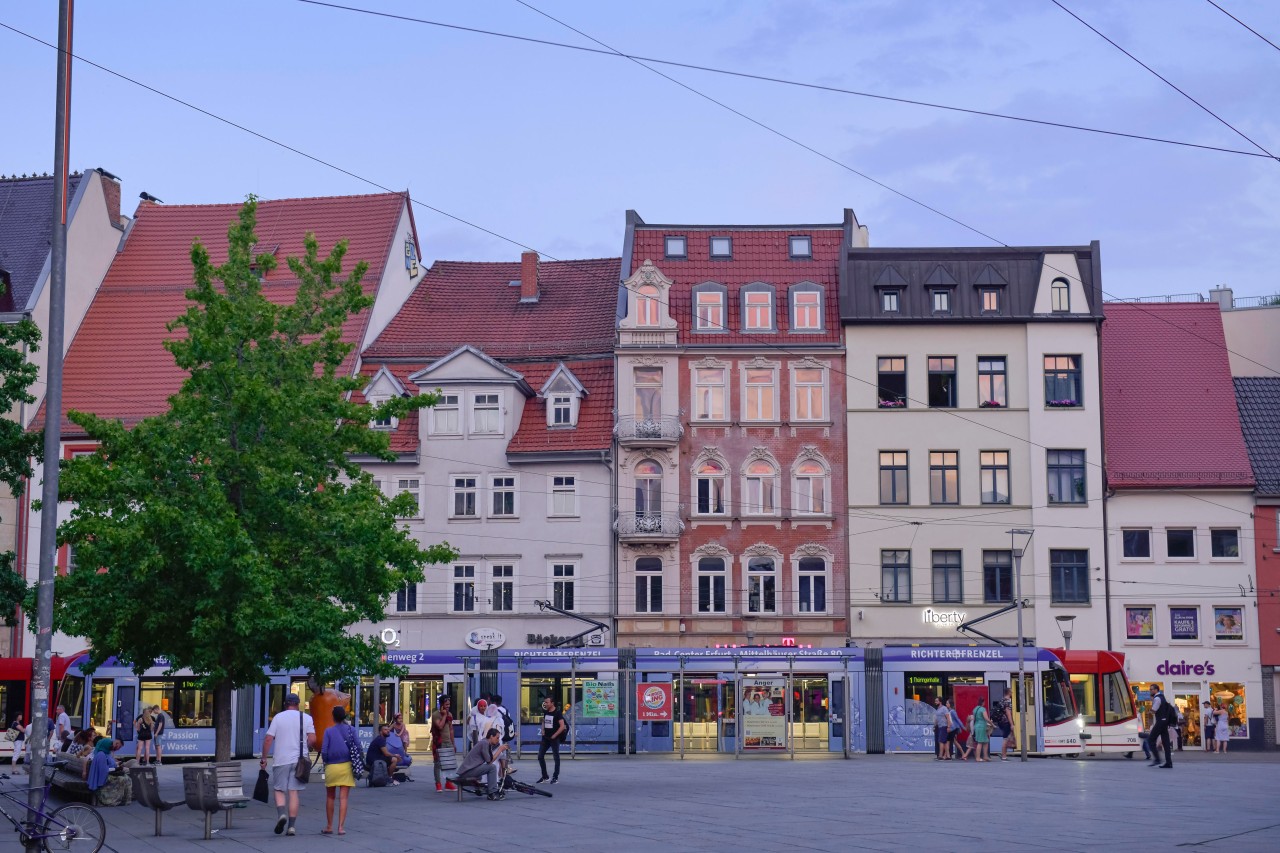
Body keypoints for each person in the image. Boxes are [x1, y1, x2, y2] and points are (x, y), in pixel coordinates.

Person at [261, 692, 317, 836]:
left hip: (281, 760)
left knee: (279, 790)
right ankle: (291, 827)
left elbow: (268, 739)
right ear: (298, 704)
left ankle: (281, 814)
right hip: (300, 760)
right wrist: (307, 746)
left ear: (285, 704)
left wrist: (264, 758)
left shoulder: (278, 718)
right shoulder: (307, 718)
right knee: (294, 792)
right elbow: (312, 740)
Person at [320, 706, 358, 836]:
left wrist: (326, 762)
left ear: (333, 717)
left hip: (331, 766)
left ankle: (329, 826)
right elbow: (358, 746)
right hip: (347, 766)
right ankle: (341, 827)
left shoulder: (328, 731)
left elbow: (324, 750)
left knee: (330, 797)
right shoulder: (351, 730)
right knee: (344, 798)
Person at [454, 728, 508, 800]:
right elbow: (489, 761)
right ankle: (492, 793)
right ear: (491, 736)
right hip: (467, 771)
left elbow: (489, 758)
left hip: (468, 770)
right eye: (497, 738)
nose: (498, 740)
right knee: (492, 767)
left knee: (490, 767)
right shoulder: (484, 743)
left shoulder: (485, 742)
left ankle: (491, 790)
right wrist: (500, 750)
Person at [536, 696, 566, 784]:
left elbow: (562, 726)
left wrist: (555, 735)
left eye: (547, 702)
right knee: (540, 756)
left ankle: (555, 777)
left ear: (552, 703)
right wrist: (542, 729)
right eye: (544, 702)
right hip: (545, 738)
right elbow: (543, 721)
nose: (545, 704)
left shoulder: (557, 713)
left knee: (556, 757)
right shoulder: (545, 711)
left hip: (554, 738)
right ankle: (545, 776)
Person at [431, 697, 458, 794]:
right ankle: (438, 783)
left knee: (449, 763)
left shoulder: (450, 714)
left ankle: (448, 782)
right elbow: (440, 726)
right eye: (446, 705)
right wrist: (444, 715)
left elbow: (451, 729)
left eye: (449, 705)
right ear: (441, 704)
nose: (448, 707)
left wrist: (453, 743)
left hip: (448, 742)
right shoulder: (435, 715)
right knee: (438, 763)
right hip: (439, 742)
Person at [1147, 686, 1174, 768]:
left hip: (1161, 722)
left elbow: (1154, 710)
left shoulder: (1157, 698)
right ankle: (1169, 762)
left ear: (1156, 690)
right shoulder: (1162, 697)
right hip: (1164, 721)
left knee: (1150, 739)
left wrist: (1149, 710)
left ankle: (1157, 759)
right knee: (1166, 743)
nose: (1150, 691)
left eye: (1151, 689)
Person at [386, 714, 413, 781]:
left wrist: (399, 734)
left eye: (401, 718)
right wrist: (387, 730)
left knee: (404, 743)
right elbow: (389, 729)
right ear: (395, 719)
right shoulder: (394, 724)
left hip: (404, 734)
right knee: (399, 744)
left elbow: (402, 731)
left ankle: (405, 752)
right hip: (398, 736)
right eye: (399, 719)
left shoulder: (403, 725)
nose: (400, 720)